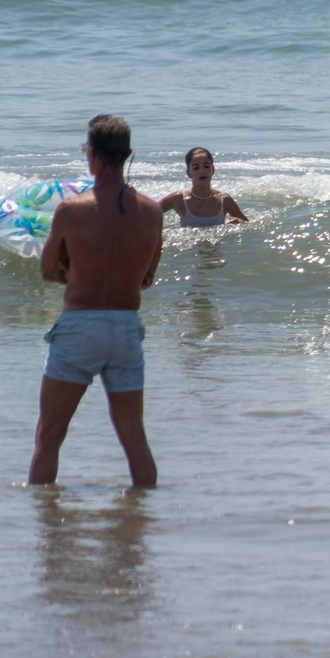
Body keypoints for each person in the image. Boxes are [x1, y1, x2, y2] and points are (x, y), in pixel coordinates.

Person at [30, 115, 164, 487]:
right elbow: (146, 278)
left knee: (49, 436)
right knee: (134, 439)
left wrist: (75, 273)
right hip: (125, 329)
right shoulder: (152, 212)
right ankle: (144, 518)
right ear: (128, 155)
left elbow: (48, 271)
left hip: (80, 326)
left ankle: (45, 519)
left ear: (92, 155)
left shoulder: (71, 210)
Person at [159, 146, 248, 227]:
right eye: (196, 168)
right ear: (188, 173)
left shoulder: (224, 200)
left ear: (213, 170)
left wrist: (238, 223)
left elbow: (247, 224)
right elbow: (151, 212)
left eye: (206, 166)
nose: (202, 171)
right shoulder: (178, 199)